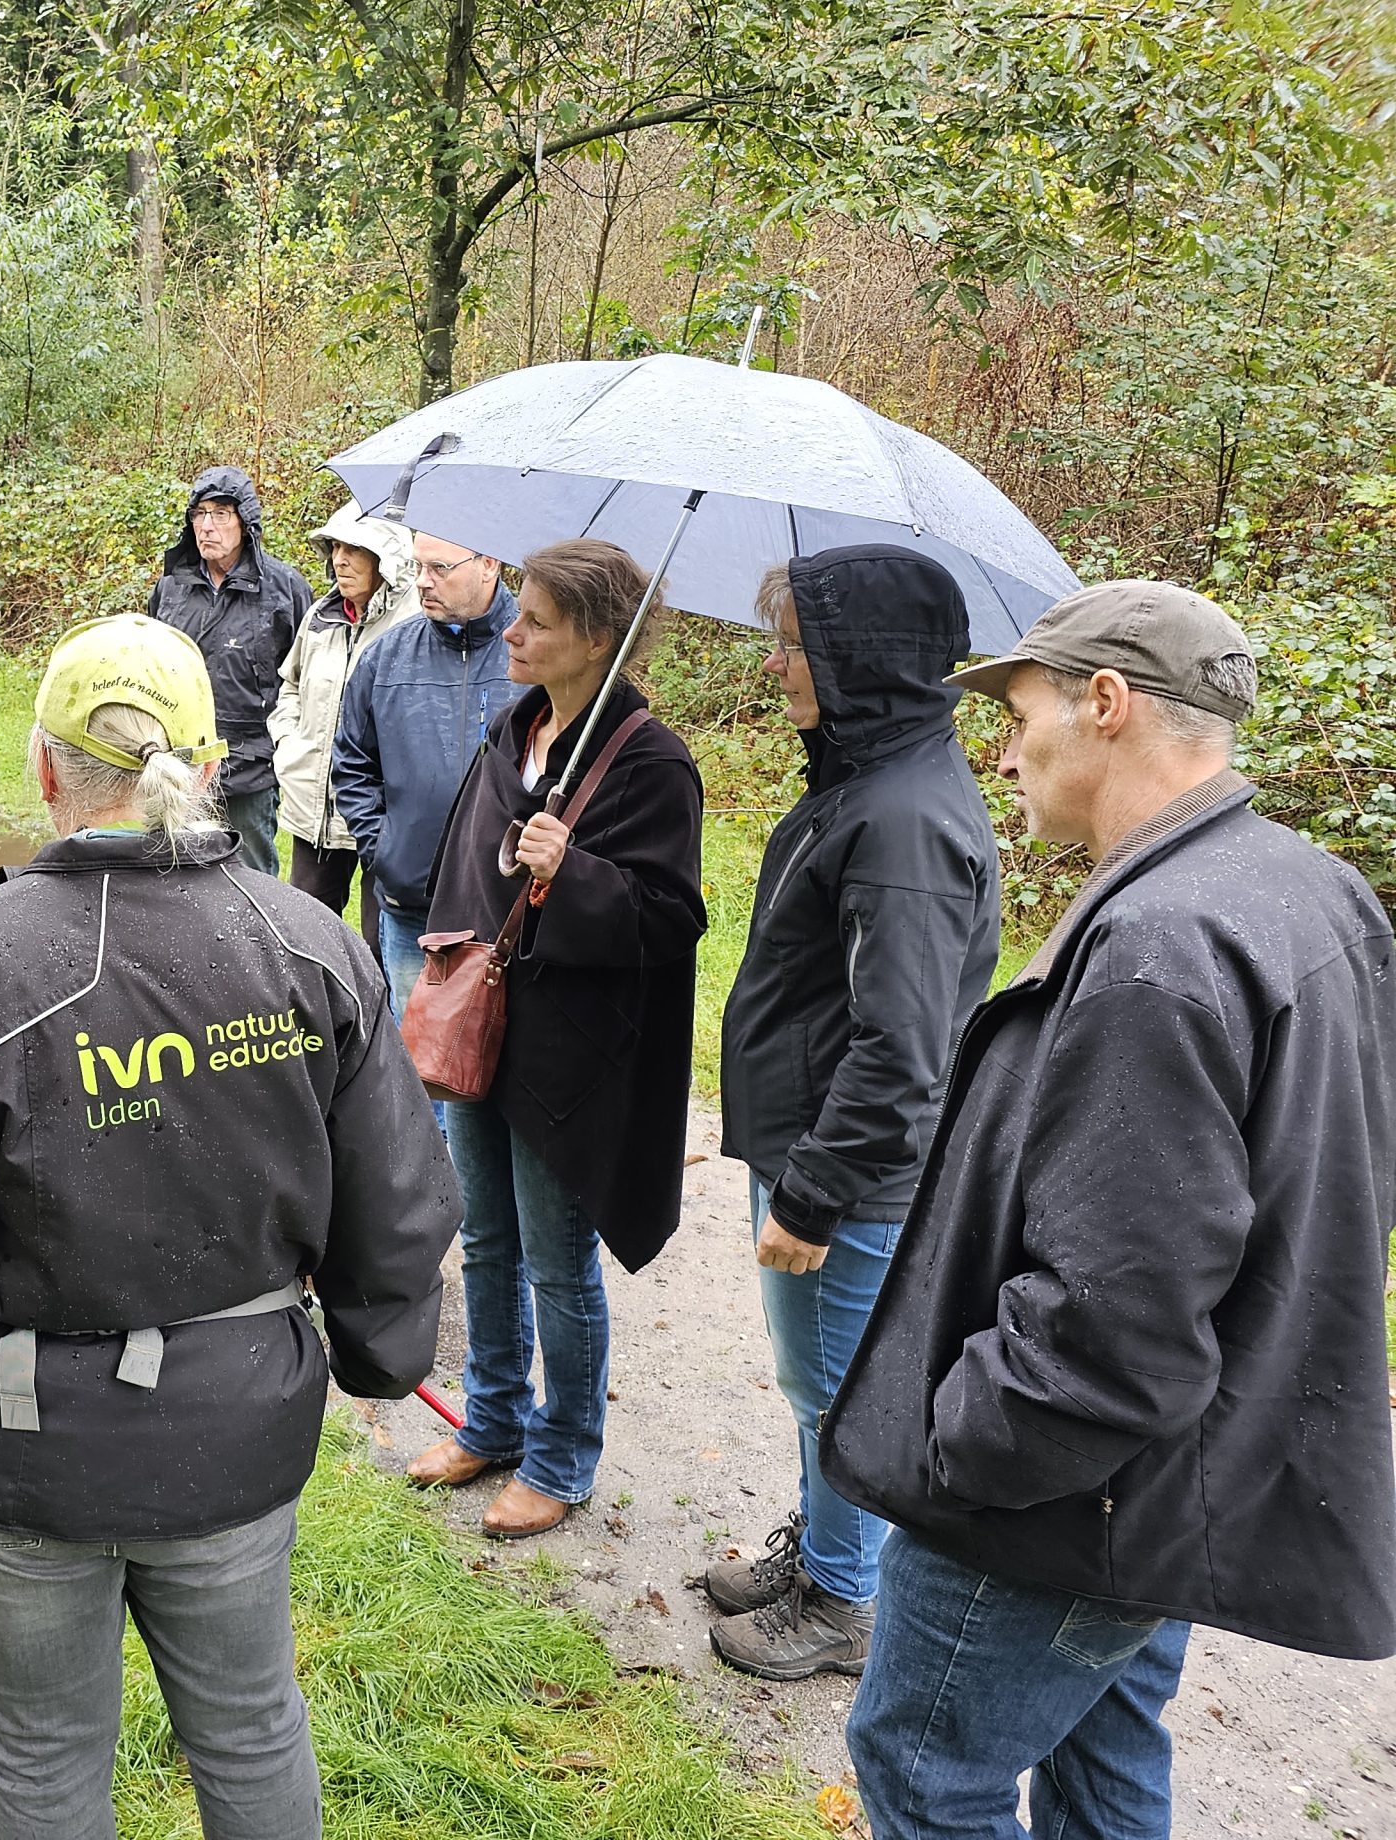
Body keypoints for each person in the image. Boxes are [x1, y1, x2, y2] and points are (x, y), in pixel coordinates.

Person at [0, 614, 457, 1840]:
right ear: (209, 768)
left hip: (22, 1449)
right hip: (237, 1427)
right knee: (254, 1726)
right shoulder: (309, 946)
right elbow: (402, 1200)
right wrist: (373, 1354)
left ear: (43, 769)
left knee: (43, 1751)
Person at [819, 582, 1396, 1840]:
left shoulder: (1158, 945)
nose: (1005, 747)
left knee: (924, 1770)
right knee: (1101, 1744)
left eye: (1020, 711)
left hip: (1059, 1506)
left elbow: (1108, 1322)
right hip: (1175, 1474)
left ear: (1106, 702)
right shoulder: (1302, 884)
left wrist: (962, 1459)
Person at [703, 546, 1002, 1682]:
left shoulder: (904, 820)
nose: (778, 664)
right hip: (813, 1150)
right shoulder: (866, 782)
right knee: (812, 1382)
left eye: (797, 645)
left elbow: (903, 1047)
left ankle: (839, 1600)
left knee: (838, 1390)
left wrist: (817, 1189)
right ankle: (823, 1551)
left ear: (858, 661)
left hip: (850, 1175)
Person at [400, 540, 705, 1540]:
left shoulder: (651, 761)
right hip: (485, 1030)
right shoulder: (517, 727)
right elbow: (469, 864)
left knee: (555, 1262)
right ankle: (490, 1421)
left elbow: (667, 920)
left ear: (599, 642)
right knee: (483, 1238)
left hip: (567, 1062)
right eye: (517, 612)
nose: (514, 631)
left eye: (536, 619)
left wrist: (571, 870)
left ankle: (562, 1455)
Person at [329, 532, 518, 1024]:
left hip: (508, 909)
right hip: (412, 903)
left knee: (500, 1070)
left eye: (439, 569)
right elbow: (351, 762)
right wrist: (383, 848)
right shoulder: (385, 658)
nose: (422, 582)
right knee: (419, 1067)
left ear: (488, 562)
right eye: (417, 567)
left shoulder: (532, 654)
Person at [145, 466, 314, 877]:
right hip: (178, 762)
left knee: (250, 878)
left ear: (245, 523)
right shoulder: (172, 587)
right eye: (199, 514)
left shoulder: (284, 588)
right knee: (174, 871)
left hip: (252, 765)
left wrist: (288, 752)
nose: (207, 526)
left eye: (221, 514)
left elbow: (305, 679)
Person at [267, 502, 416, 959]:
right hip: (314, 811)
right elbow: (289, 685)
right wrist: (290, 745)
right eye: (335, 546)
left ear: (385, 558)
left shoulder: (414, 625)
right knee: (306, 936)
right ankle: (315, 1025)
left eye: (355, 548)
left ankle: (373, 1028)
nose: (340, 559)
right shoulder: (321, 616)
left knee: (378, 946)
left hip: (380, 814)